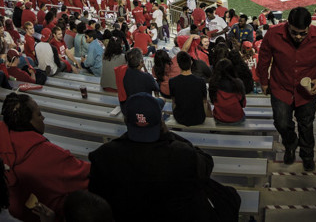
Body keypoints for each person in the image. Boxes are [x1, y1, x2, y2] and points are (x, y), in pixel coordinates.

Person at [89, 93, 237, 222]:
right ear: (161, 123)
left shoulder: (102, 156)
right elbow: (206, 163)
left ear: (126, 121)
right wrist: (169, 136)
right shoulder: (181, 154)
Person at [256, 7, 316, 172]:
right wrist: (264, 81)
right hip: (281, 86)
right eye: (294, 33)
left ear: (309, 27)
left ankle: (307, 155)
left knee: (306, 124)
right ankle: (291, 143)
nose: (298, 37)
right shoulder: (273, 34)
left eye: (302, 33)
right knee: (281, 122)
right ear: (287, 25)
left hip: (306, 90)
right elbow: (264, 59)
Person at [0, 92, 90, 221]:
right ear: (28, 121)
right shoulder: (51, 156)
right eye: (38, 114)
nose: (43, 118)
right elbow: (88, 174)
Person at [169, 50, 211, 127]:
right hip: (198, 118)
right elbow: (204, 101)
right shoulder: (201, 81)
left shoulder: (172, 81)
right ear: (191, 62)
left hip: (180, 118)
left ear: (178, 64)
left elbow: (174, 102)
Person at [208, 59, 246, 124]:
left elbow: (212, 101)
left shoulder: (213, 83)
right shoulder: (238, 83)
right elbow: (243, 104)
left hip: (219, 118)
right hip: (237, 119)